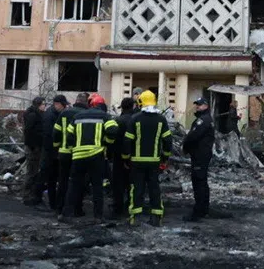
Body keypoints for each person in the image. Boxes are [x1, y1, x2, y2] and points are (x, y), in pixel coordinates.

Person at [63, 93, 117, 223]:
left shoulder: (77, 116)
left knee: (74, 185)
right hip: (96, 156)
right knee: (97, 186)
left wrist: (73, 149)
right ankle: (97, 216)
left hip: (78, 156)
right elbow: (113, 130)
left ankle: (66, 214)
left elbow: (69, 136)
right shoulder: (104, 116)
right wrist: (106, 142)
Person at [124, 90, 172, 226]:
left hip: (137, 162)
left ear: (140, 103)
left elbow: (127, 141)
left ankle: (135, 217)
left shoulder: (135, 119)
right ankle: (156, 217)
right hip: (154, 162)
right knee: (154, 188)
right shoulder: (161, 120)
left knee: (137, 188)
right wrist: (165, 157)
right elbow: (168, 140)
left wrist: (126, 158)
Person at [183, 97, 216, 221]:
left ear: (206, 106)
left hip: (200, 155)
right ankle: (203, 208)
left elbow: (193, 136)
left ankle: (199, 211)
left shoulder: (203, 120)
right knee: (201, 181)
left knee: (199, 182)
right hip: (201, 154)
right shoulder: (204, 119)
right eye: (196, 104)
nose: (197, 106)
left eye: (200, 104)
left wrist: (185, 146)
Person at [54, 93, 87, 220]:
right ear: (85, 103)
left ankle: (59, 208)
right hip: (79, 154)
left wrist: (57, 146)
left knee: (62, 181)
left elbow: (56, 131)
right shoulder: (86, 114)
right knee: (78, 182)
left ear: (76, 101)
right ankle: (77, 209)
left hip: (63, 152)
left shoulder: (64, 113)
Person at [40, 95, 67, 211]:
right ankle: (41, 199)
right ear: (57, 104)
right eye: (63, 105)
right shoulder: (50, 115)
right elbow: (49, 135)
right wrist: (54, 150)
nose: (65, 107)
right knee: (48, 176)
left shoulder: (54, 114)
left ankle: (51, 201)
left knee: (50, 176)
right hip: (50, 151)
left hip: (52, 151)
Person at [22, 96, 46, 205]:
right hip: (33, 148)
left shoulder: (36, 114)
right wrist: (33, 146)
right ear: (38, 104)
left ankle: (31, 194)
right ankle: (27, 195)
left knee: (34, 171)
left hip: (35, 147)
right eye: (43, 104)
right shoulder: (33, 115)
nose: (45, 106)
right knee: (32, 172)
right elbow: (28, 132)